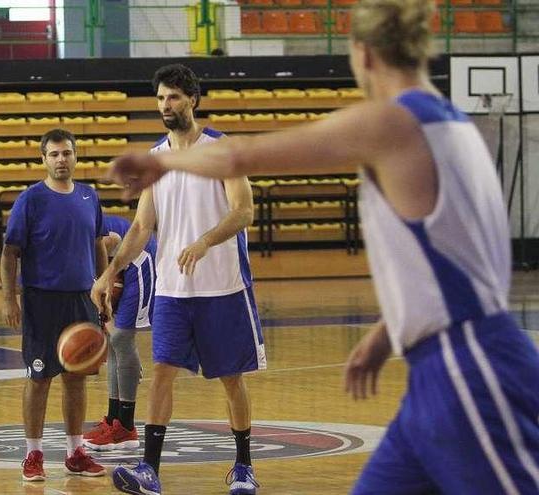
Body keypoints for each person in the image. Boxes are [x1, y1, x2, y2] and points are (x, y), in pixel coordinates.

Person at [106, 1, 539, 493]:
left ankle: (240, 465)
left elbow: (248, 154)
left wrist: (165, 165)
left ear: (363, 54)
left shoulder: (392, 122)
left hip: (470, 367)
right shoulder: (454, 124)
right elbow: (462, 265)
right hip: (437, 364)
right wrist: (385, 335)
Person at [92, 64, 265, 495]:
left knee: (231, 378)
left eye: (173, 97)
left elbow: (244, 211)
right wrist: (109, 272)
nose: (165, 105)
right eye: (160, 99)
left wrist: (205, 240)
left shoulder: (223, 150)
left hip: (222, 286)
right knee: (163, 373)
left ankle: (243, 466)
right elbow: (140, 228)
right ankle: (149, 469)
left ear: (193, 100)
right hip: (172, 289)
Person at [1, 128, 108, 482]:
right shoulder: (30, 199)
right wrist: (9, 298)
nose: (61, 160)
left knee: (76, 378)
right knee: (39, 378)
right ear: (43, 159)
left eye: (67, 153)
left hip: (81, 300)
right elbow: (9, 252)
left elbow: (98, 245)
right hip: (41, 301)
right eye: (54, 154)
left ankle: (75, 451)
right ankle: (33, 453)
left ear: (76, 156)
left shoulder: (89, 197)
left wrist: (104, 286)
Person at [84, 214, 156, 452]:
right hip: (118, 267)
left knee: (121, 338)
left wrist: (104, 285)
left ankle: (126, 427)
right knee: (113, 342)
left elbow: (111, 240)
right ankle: (115, 419)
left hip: (138, 259)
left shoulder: (71, 220)